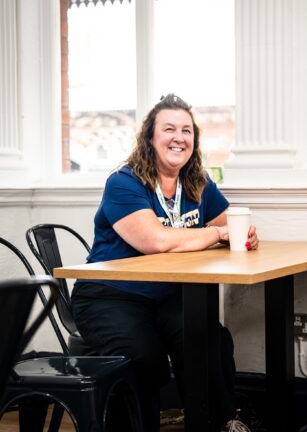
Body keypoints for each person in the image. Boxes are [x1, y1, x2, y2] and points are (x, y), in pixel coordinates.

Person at [71, 94, 257, 432]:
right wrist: (215, 234)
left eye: (187, 130)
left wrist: (244, 234)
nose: (179, 137)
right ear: (150, 139)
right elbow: (155, 241)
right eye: (169, 129)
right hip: (109, 296)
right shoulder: (124, 182)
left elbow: (231, 223)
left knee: (209, 339)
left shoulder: (197, 181)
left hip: (166, 296)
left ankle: (219, 425)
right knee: (144, 356)